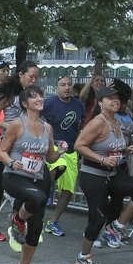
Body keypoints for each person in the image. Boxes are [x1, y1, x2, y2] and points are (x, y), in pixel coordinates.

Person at [73, 84, 133, 264]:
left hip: (112, 174)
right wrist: (102, 159)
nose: (115, 101)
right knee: (97, 218)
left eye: (117, 99)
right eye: (110, 99)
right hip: (93, 176)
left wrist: (126, 150)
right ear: (101, 103)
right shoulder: (98, 122)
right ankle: (83, 256)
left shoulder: (117, 121)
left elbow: (110, 147)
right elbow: (79, 145)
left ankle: (116, 226)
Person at [0, 85, 60, 264]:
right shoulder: (17, 124)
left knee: (36, 227)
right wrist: (10, 162)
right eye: (34, 97)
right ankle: (17, 220)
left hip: (37, 178)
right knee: (38, 198)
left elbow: (49, 158)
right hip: (15, 176)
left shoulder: (47, 127)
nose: (39, 99)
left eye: (40, 96)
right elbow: (2, 151)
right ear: (25, 104)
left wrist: (60, 152)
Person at [0, 63, 40, 242]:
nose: (34, 80)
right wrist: (9, 126)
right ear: (21, 75)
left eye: (36, 77)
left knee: (1, 191)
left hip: (18, 148)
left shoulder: (30, 96)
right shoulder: (8, 96)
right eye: (31, 76)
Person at [42, 74, 88, 236]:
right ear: (56, 88)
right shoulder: (48, 103)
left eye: (69, 84)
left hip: (71, 150)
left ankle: (53, 221)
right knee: (58, 166)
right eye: (62, 85)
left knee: (68, 190)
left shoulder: (78, 104)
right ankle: (47, 189)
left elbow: (80, 123)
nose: (66, 88)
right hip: (52, 148)